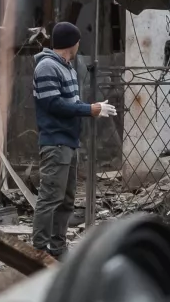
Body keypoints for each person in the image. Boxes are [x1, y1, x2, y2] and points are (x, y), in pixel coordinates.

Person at [31, 22, 116, 258]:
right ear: (72, 43)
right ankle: (38, 251)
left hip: (68, 141)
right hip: (55, 142)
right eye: (78, 41)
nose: (79, 45)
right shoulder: (48, 66)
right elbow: (54, 104)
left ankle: (58, 248)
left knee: (66, 200)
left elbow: (71, 103)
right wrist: (89, 109)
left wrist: (94, 110)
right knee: (50, 198)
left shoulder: (66, 66)